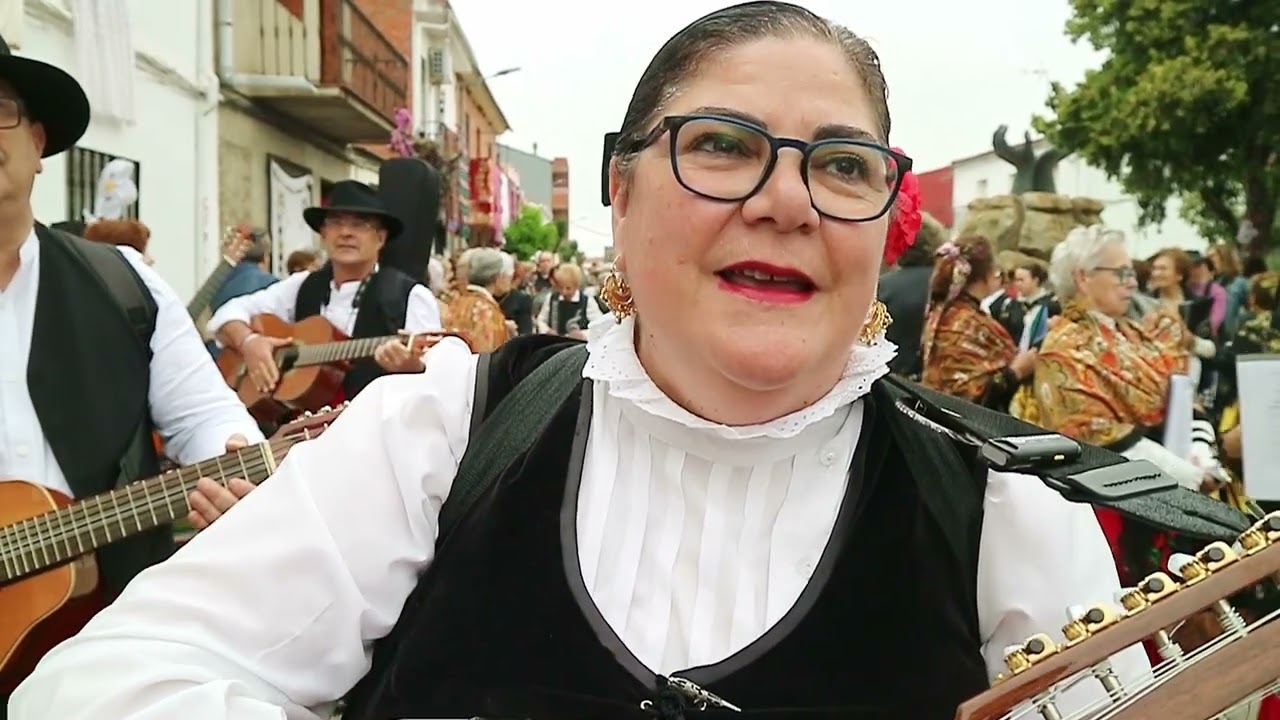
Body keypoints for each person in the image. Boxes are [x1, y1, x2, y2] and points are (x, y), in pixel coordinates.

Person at [8, 4, 1149, 719]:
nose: (786, 199)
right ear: (620, 187)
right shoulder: (447, 424)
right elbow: (100, 684)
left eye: (842, 166)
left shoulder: (1003, 502)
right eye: (720, 147)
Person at [0, 34, 260, 713]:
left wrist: (233, 460)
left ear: (36, 139)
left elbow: (205, 415)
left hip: (106, 641)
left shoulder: (124, 285)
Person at [206, 180, 443, 399]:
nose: (345, 232)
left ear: (380, 238)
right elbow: (228, 312)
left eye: (359, 224)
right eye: (336, 222)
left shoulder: (410, 296)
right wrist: (249, 342)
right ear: (323, 235)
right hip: (299, 432)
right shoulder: (301, 285)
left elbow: (438, 376)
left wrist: (412, 367)